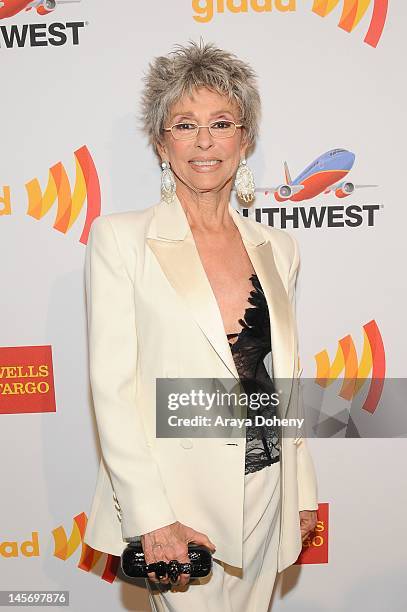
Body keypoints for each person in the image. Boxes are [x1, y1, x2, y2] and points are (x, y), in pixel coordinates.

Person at [83, 40, 318, 612]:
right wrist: (150, 516)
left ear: (246, 138)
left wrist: (302, 488)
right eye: (185, 124)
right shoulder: (120, 239)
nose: (205, 142)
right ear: (162, 143)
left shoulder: (279, 247)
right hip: (178, 499)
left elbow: (281, 375)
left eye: (222, 123)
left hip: (267, 490)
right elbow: (111, 390)